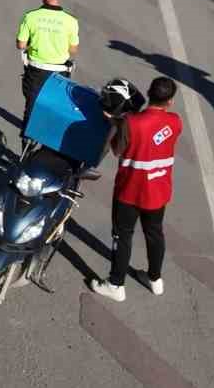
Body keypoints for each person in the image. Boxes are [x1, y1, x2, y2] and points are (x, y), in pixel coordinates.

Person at [89, 77, 182, 302]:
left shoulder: (130, 123)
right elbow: (158, 136)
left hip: (129, 192)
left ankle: (116, 284)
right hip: (158, 191)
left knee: (122, 236)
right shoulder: (175, 122)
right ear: (170, 102)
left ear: (148, 93)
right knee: (155, 233)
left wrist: (114, 122)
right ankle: (155, 279)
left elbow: (117, 150)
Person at [16, 0, 80, 127]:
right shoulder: (71, 21)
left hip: (36, 72)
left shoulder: (31, 16)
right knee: (54, 109)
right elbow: (73, 50)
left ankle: (26, 141)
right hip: (60, 74)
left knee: (31, 107)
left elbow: (21, 44)